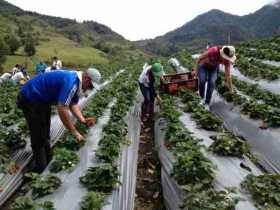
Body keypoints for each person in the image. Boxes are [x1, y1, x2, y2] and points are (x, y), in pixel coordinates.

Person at [17, 68, 101, 172]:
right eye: (91, 86)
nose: (89, 89)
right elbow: (62, 109)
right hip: (30, 97)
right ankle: (40, 170)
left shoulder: (76, 83)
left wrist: (83, 120)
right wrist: (74, 132)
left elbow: (73, 104)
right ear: (87, 79)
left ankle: (46, 163)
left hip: (43, 100)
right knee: (38, 136)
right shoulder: (71, 82)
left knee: (45, 133)